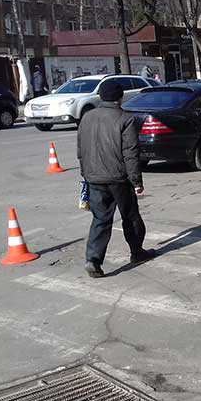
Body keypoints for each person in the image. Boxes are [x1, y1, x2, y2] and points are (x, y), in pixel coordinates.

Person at [77, 79, 154, 278]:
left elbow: (81, 149)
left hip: (93, 177)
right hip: (118, 178)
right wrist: (136, 181)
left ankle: (93, 259)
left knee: (100, 219)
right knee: (130, 215)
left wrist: (85, 174)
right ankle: (137, 252)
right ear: (120, 97)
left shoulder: (87, 117)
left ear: (101, 96)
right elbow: (130, 153)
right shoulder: (125, 119)